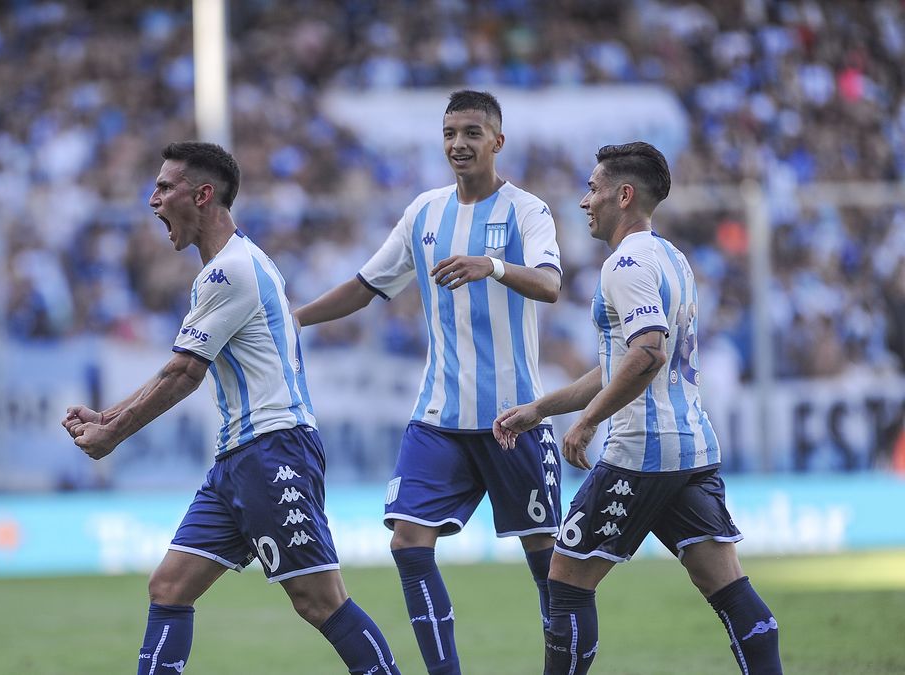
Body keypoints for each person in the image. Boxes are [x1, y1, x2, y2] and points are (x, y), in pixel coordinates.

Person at [62, 141, 400, 675]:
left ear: (202, 195)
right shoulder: (230, 268)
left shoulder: (230, 272)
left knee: (320, 601)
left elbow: (184, 375)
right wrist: (109, 416)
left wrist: (112, 436)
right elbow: (179, 364)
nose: (152, 201)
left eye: (164, 187)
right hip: (238, 459)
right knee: (169, 587)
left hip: (272, 450)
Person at [295, 90, 563, 674]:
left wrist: (489, 265)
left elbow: (549, 284)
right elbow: (367, 284)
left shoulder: (527, 211)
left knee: (549, 565)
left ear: (498, 140)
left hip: (513, 418)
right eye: (449, 133)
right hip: (439, 414)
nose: (458, 144)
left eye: (471, 132)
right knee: (407, 543)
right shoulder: (425, 213)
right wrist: (295, 319)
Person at [494, 141, 782, 674]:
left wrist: (587, 421)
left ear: (623, 195)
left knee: (567, 578)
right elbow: (622, 364)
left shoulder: (623, 264)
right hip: (691, 448)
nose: (585, 201)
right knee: (726, 584)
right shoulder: (672, 258)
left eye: (593, 188)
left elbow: (648, 350)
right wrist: (542, 409)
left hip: (641, 452)